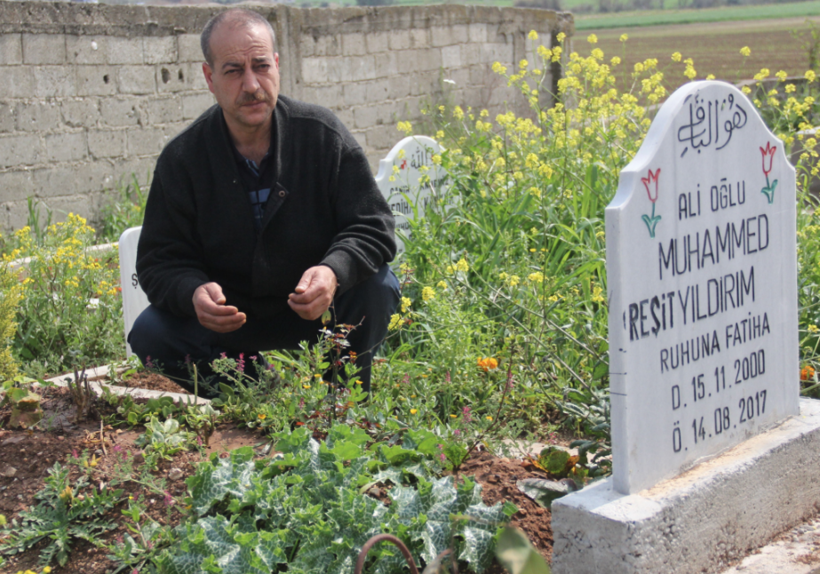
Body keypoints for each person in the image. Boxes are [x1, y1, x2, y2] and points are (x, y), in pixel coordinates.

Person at [129, 8, 399, 396]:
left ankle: (341, 401)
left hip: (316, 310)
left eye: (260, 66)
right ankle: (260, 396)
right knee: (151, 332)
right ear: (209, 78)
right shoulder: (183, 159)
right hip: (231, 322)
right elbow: (159, 260)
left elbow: (373, 226)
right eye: (233, 71)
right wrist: (193, 293)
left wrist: (332, 272)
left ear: (276, 64)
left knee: (378, 285)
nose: (252, 84)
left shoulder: (322, 137)